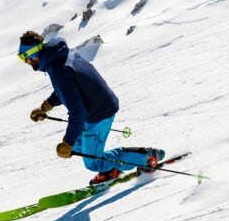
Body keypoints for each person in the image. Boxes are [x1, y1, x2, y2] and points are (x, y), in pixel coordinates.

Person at [18, 30, 164, 185]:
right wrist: (47, 106)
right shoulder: (61, 56)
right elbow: (69, 87)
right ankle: (110, 170)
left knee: (94, 162)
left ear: (34, 53)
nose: (26, 62)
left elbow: (77, 112)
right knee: (78, 146)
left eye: (24, 58)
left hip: (98, 113)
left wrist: (67, 143)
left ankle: (147, 157)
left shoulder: (58, 69)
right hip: (98, 106)